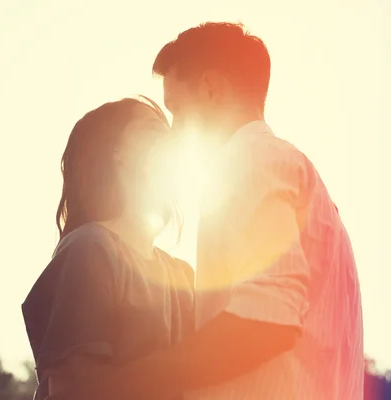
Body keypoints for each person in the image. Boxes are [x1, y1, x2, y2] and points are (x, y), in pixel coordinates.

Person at [53, 22, 364, 400]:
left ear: (211, 89)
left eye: (176, 109)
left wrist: (113, 386)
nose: (174, 130)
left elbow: (267, 320)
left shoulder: (251, 161)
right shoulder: (313, 192)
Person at [21, 97, 195, 400]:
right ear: (118, 152)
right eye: (155, 130)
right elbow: (76, 390)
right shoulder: (90, 250)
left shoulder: (181, 275)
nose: (172, 141)